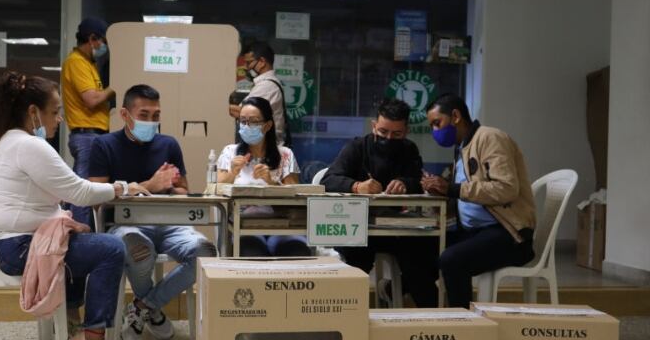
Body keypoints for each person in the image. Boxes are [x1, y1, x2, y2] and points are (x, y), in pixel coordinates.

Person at [0, 71, 146, 340]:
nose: (59, 119)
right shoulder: (29, 146)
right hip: (11, 249)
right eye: (54, 112)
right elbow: (79, 192)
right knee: (110, 248)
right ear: (33, 113)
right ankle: (91, 339)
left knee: (77, 238)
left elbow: (47, 195)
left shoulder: (2, 143)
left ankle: (71, 324)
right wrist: (123, 187)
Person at [89, 84, 218, 340]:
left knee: (206, 252)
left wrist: (172, 186)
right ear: (125, 114)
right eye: (144, 115)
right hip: (126, 225)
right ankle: (153, 310)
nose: (151, 121)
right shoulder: (103, 145)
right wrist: (150, 185)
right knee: (140, 251)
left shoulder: (168, 144)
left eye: (156, 115)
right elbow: (96, 197)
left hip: (170, 223)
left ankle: (143, 306)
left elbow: (183, 190)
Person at [321, 98, 439, 308]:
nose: (388, 138)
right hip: (358, 228)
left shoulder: (409, 149)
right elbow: (328, 180)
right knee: (356, 263)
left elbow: (417, 181)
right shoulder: (357, 147)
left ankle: (431, 318)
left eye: (397, 134)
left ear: (406, 131)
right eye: (383, 132)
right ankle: (347, 314)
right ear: (374, 125)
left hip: (396, 229)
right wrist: (357, 186)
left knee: (424, 254)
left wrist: (405, 183)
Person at [421, 93, 536, 308]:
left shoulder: (490, 138)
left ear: (455, 116)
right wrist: (442, 191)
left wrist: (453, 189)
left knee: (452, 260)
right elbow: (466, 194)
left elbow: (506, 189)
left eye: (437, 123)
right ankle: (426, 310)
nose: (435, 131)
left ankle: (463, 322)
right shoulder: (462, 147)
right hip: (473, 231)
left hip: (508, 234)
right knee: (421, 249)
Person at [217, 96, 312, 257]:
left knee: (297, 251)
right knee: (252, 253)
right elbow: (217, 190)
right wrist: (233, 172)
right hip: (244, 226)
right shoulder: (230, 152)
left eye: (253, 122)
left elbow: (296, 196)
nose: (246, 126)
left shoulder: (285, 155)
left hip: (281, 226)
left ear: (267, 125)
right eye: (243, 121)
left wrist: (272, 182)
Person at [61, 16, 116, 225]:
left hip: (93, 135)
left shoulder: (88, 63)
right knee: (84, 193)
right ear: (92, 39)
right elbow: (92, 99)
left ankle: (78, 229)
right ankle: (79, 233)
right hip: (87, 135)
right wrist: (116, 86)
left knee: (84, 190)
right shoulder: (76, 62)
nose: (103, 47)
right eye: (102, 41)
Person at [230, 42, 290, 146]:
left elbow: (242, 113)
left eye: (249, 63)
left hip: (267, 148)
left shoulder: (267, 86)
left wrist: (222, 106)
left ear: (262, 62)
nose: (246, 67)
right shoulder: (266, 83)